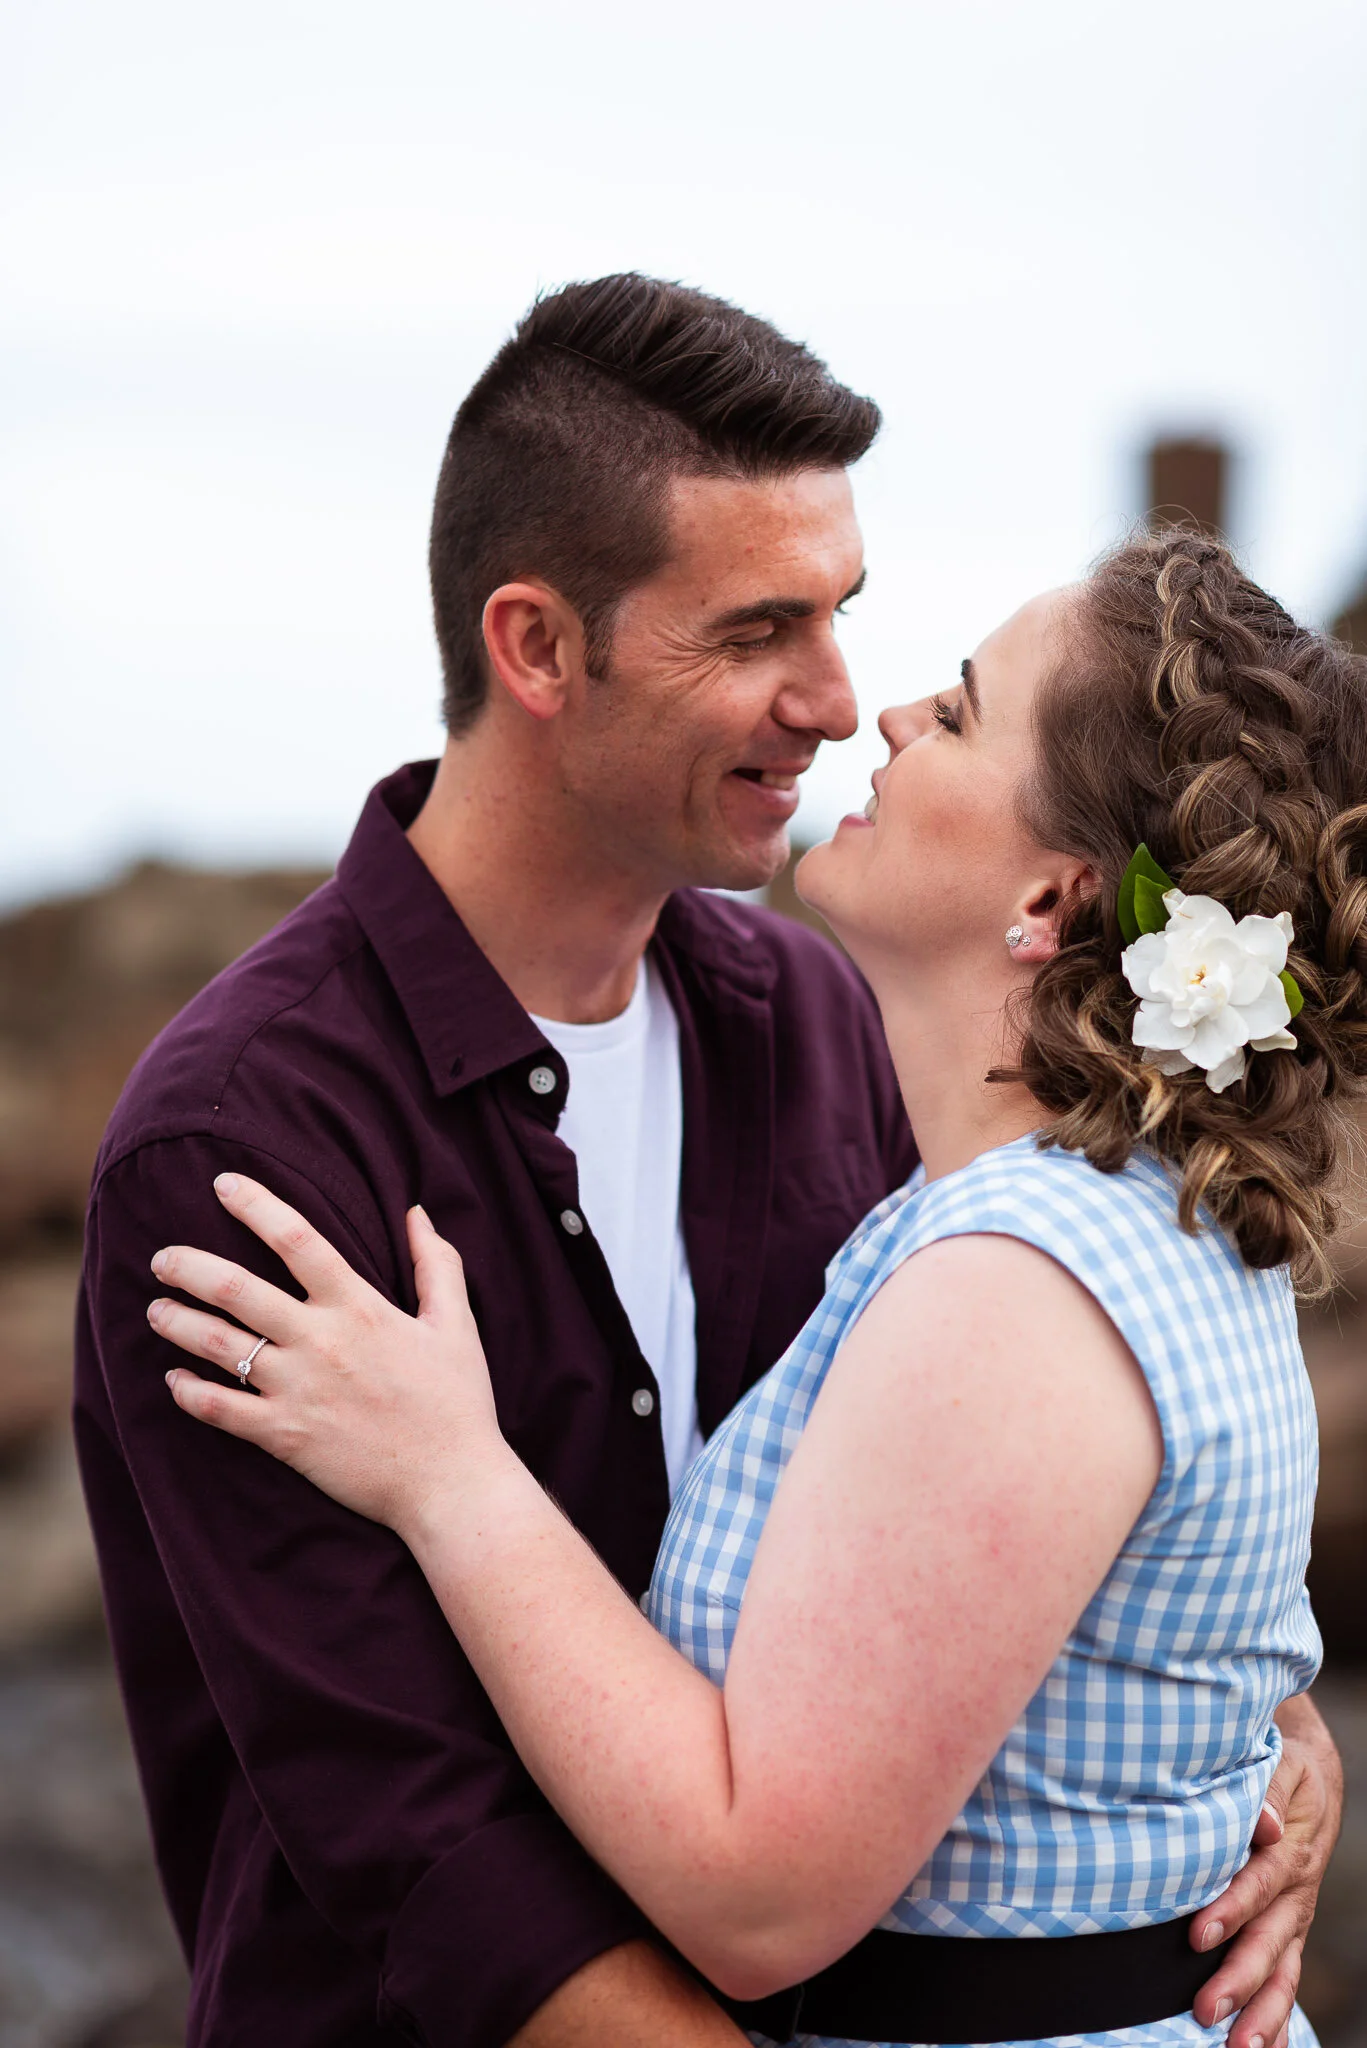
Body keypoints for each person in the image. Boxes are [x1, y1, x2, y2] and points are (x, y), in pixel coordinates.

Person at [73, 272, 1338, 2048]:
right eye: (756, 631)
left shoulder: (823, 1021)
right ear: (536, 648)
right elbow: (436, 1866)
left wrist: (1245, 1741)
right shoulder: (246, 1153)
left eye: (848, 617)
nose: (837, 703)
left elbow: (1022, 1520)